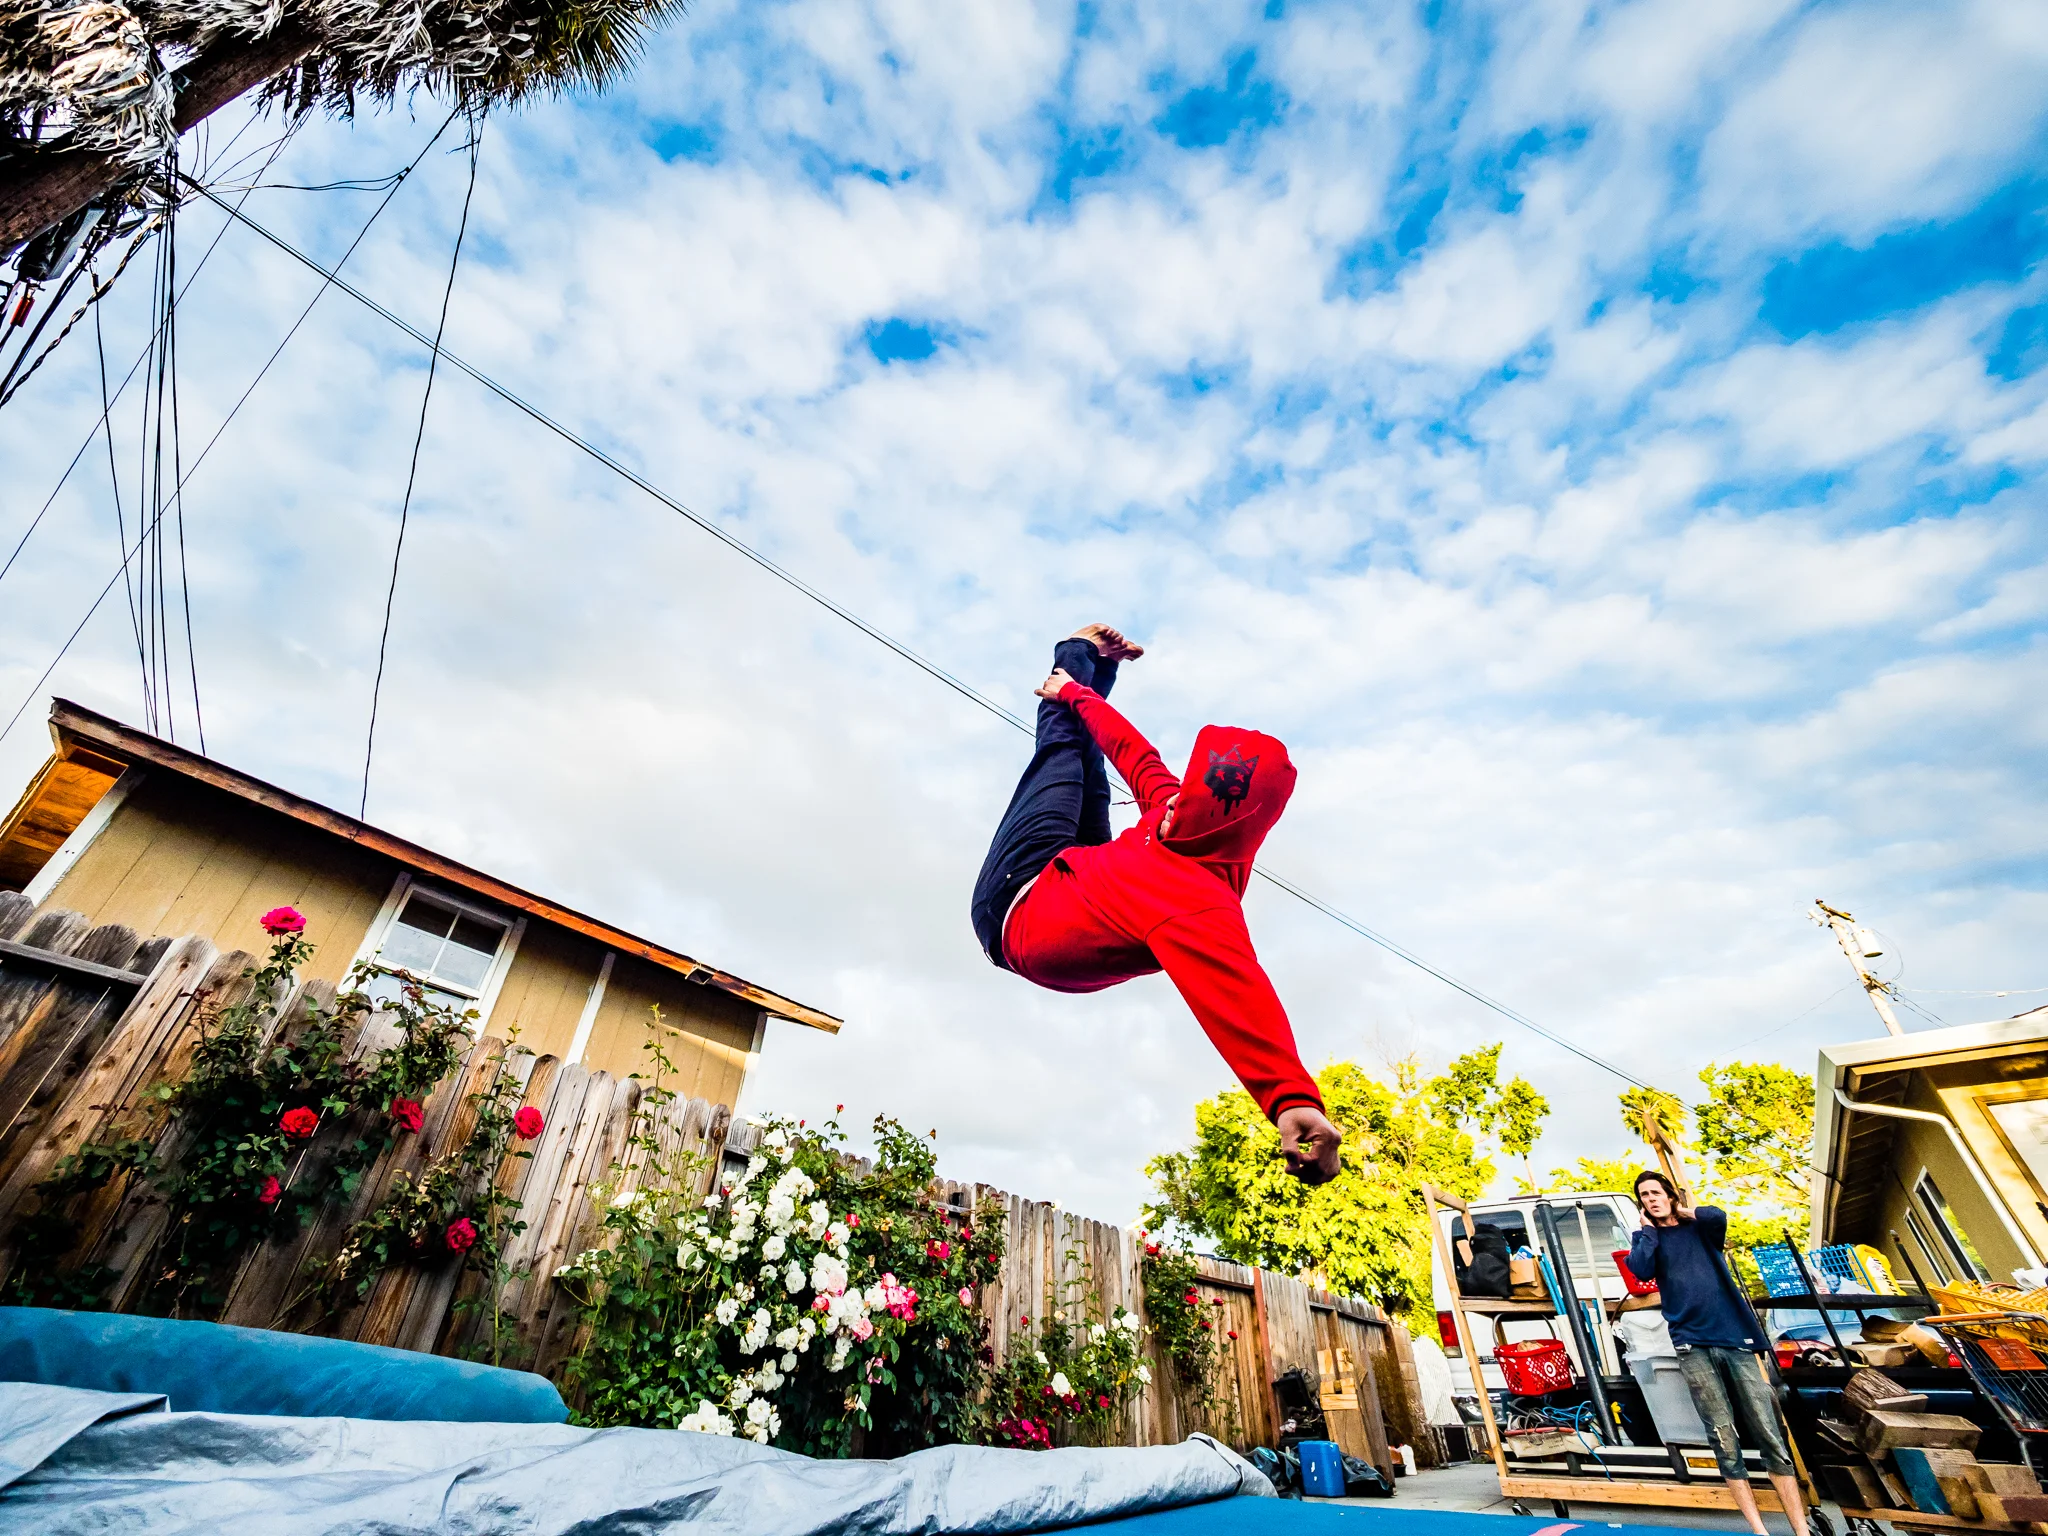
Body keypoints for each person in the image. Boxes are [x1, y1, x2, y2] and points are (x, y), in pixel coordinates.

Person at [969, 624, 1342, 1183]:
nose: (1165, 811)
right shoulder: (1178, 809)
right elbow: (1134, 752)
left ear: (1215, 829)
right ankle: (1090, 667)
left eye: (1182, 814)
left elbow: (1243, 1000)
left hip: (1014, 903)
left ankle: (1073, 652)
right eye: (1179, 798)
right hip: (1078, 881)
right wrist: (1082, 691)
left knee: (1063, 754)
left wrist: (1293, 1102)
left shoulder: (1200, 907)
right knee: (1095, 765)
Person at [1626, 1170, 1808, 1536]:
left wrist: (1681, 1210)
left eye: (1656, 1193)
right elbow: (1640, 1269)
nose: (1651, 1199)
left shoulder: (1700, 1229)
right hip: (1691, 1344)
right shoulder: (1648, 1239)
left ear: (1670, 1195)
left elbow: (1717, 1216)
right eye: (1644, 1195)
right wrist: (1648, 1230)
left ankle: (1801, 1530)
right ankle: (1759, 1530)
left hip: (1734, 1338)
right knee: (1722, 1437)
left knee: (1768, 1432)